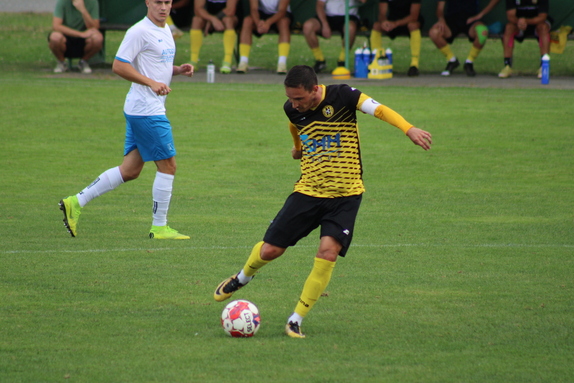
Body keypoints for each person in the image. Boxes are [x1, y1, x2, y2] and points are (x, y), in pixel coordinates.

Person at [213, 65, 432, 338]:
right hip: (308, 192)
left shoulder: (343, 96)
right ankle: (241, 278)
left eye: (300, 98)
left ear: (315, 89)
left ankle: (296, 319)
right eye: (291, 99)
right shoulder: (292, 109)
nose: (295, 104)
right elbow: (295, 126)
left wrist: (408, 129)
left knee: (327, 252)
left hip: (346, 195)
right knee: (270, 251)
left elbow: (379, 109)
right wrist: (298, 149)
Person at [59, 0, 194, 240]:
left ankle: (75, 202)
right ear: (148, 2)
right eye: (158, 2)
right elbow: (119, 66)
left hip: (141, 108)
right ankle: (159, 227)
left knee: (130, 170)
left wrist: (176, 70)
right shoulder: (139, 31)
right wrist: (151, 83)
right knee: (168, 166)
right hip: (147, 111)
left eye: (168, 2)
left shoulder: (164, 28)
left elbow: (153, 65)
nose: (163, 7)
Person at [429, 0, 501, 77]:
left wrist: (480, 14)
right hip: (451, 21)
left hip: (471, 20)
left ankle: (469, 62)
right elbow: (440, 8)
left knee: (482, 32)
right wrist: (441, 19)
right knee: (434, 32)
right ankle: (452, 60)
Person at [302, 0, 367, 74]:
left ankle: (342, 61)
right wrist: (325, 24)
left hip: (348, 16)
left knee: (350, 28)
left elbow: (363, 1)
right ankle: (320, 60)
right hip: (328, 17)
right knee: (308, 26)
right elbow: (319, 5)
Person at [236, 0, 292, 75]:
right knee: (247, 21)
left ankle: (282, 63)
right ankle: (243, 62)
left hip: (279, 15)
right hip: (262, 15)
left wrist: (268, 23)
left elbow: (282, 11)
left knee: (283, 22)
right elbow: (254, 9)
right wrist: (258, 23)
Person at [498, 0, 550, 79]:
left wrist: (527, 21)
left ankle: (544, 67)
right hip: (519, 24)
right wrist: (520, 22)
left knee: (543, 28)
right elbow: (510, 15)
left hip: (537, 23)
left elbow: (542, 16)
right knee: (509, 28)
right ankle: (507, 66)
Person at [370, 0, 424, 77]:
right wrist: (384, 22)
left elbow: (414, 16)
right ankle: (376, 60)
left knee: (413, 26)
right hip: (392, 20)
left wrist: (396, 23)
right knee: (377, 26)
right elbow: (382, 14)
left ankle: (414, 65)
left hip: (409, 21)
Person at [47, 0, 103, 74]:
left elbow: (95, 27)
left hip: (85, 39)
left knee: (98, 38)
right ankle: (61, 62)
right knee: (55, 37)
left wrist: (83, 10)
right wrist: (80, 34)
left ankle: (83, 62)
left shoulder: (92, 2)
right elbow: (56, 26)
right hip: (66, 37)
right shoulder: (62, 2)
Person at [190, 0, 240, 73]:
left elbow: (230, 10)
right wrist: (212, 19)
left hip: (227, 16)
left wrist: (215, 19)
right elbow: (198, 9)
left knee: (228, 20)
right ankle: (193, 60)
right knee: (196, 20)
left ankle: (227, 61)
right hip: (207, 17)